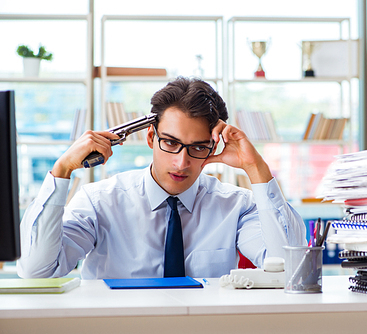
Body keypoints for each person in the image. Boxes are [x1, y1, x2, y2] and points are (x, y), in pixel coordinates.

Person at [17, 77, 306, 279]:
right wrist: (62, 171)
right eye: (170, 143)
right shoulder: (100, 201)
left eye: (198, 148)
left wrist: (257, 169)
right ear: (152, 137)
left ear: (213, 146)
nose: (182, 162)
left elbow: (290, 269)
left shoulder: (236, 205)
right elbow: (38, 271)